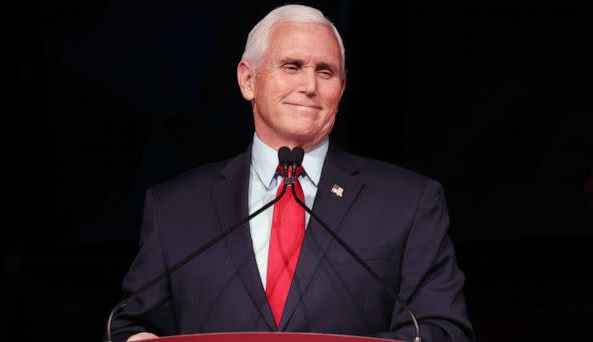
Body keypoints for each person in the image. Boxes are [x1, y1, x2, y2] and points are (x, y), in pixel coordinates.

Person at [110, 4, 474, 342]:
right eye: (291, 66)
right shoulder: (174, 207)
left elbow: (442, 328)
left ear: (341, 90)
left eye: (326, 72)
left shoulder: (408, 203)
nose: (310, 86)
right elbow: (133, 321)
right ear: (247, 80)